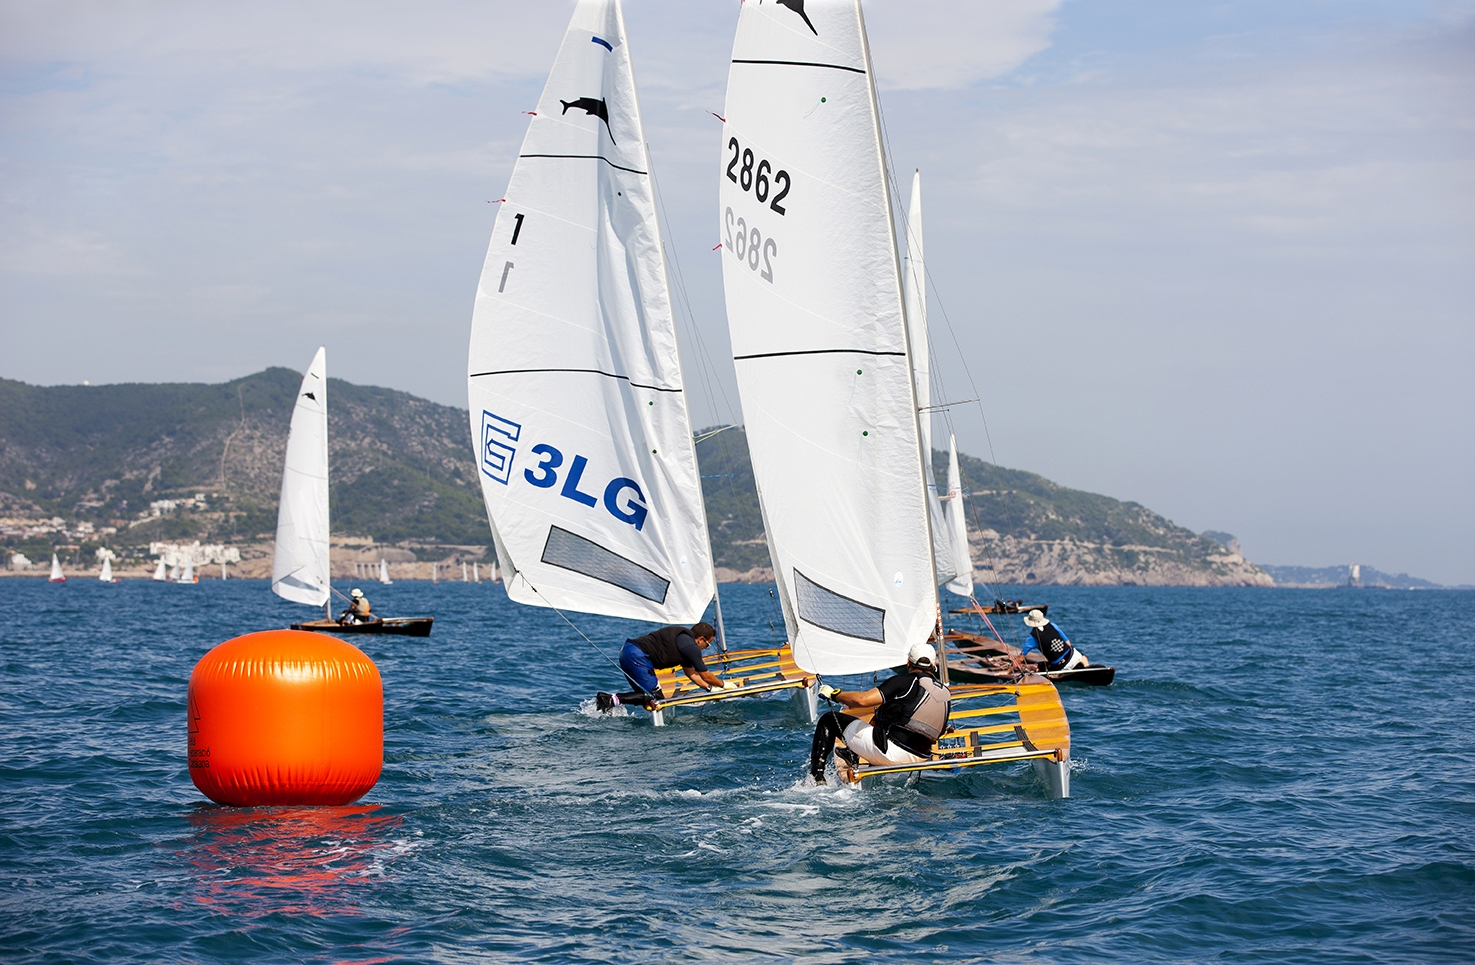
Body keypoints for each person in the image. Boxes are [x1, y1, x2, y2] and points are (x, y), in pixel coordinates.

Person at [807, 642, 952, 785]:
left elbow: (863, 701)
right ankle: (852, 754)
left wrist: (835, 695)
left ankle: (817, 779)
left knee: (828, 719)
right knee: (888, 711)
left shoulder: (903, 681)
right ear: (934, 665)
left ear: (909, 663)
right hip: (922, 757)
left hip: (891, 754)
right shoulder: (945, 693)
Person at [595, 622, 737, 711]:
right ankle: (610, 699)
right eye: (708, 644)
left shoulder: (684, 641)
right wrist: (724, 684)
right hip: (637, 655)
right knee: (655, 698)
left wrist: (709, 688)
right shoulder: (691, 647)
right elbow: (705, 675)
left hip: (627, 650)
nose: (706, 648)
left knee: (649, 698)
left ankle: (612, 702)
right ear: (700, 639)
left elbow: (691, 673)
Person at [1019, 609, 1088, 671]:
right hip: (1074, 655)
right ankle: (1087, 667)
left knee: (1041, 666)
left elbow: (1021, 657)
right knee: (1083, 657)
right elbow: (1068, 643)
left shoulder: (1032, 637)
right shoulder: (1053, 625)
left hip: (1061, 665)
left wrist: (1009, 670)